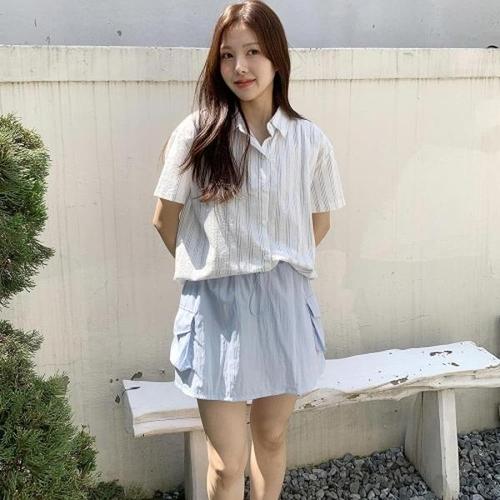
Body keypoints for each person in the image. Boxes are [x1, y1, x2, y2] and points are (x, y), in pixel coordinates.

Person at [152, 1, 346, 498]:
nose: (240, 66)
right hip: (216, 309)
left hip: (284, 304)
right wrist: (213, 263)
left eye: (253, 52)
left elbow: (319, 222)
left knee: (272, 437)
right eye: (227, 55)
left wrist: (274, 259)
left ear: (277, 57)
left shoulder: (310, 141)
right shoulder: (196, 135)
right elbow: (164, 219)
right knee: (226, 463)